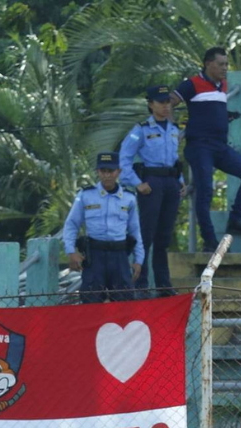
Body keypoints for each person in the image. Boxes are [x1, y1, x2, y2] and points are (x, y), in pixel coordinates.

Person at [172, 47, 241, 252]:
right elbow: (169, 102)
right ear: (208, 64)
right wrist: (171, 131)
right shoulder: (192, 84)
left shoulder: (223, 85)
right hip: (199, 146)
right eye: (221, 64)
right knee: (205, 191)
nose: (225, 68)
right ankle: (209, 240)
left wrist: (226, 116)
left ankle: (235, 219)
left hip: (220, 146)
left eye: (226, 64)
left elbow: (210, 110)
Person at [120, 85, 186, 297]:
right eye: (161, 102)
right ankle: (141, 284)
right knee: (146, 235)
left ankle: (163, 285)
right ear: (150, 104)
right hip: (151, 183)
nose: (166, 106)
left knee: (164, 237)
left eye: (168, 102)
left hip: (170, 182)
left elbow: (174, 159)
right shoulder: (140, 130)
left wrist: (181, 181)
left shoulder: (173, 129)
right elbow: (124, 159)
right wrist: (137, 183)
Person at [63, 153, 144, 302]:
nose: (107, 175)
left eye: (111, 171)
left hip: (119, 256)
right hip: (95, 256)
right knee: (91, 300)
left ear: (118, 171)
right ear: (98, 172)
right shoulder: (85, 195)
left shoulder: (129, 198)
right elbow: (72, 224)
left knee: (124, 301)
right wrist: (71, 251)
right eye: (103, 171)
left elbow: (135, 230)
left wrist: (139, 259)